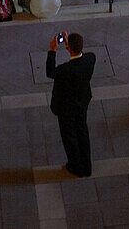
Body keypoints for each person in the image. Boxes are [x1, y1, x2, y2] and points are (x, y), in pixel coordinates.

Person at [46, 30, 96, 178]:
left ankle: (75, 165)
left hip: (66, 108)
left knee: (70, 137)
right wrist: (71, 45)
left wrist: (52, 50)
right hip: (82, 103)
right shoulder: (90, 59)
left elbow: (50, 72)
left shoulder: (64, 70)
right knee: (82, 131)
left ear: (68, 49)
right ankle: (87, 166)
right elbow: (84, 55)